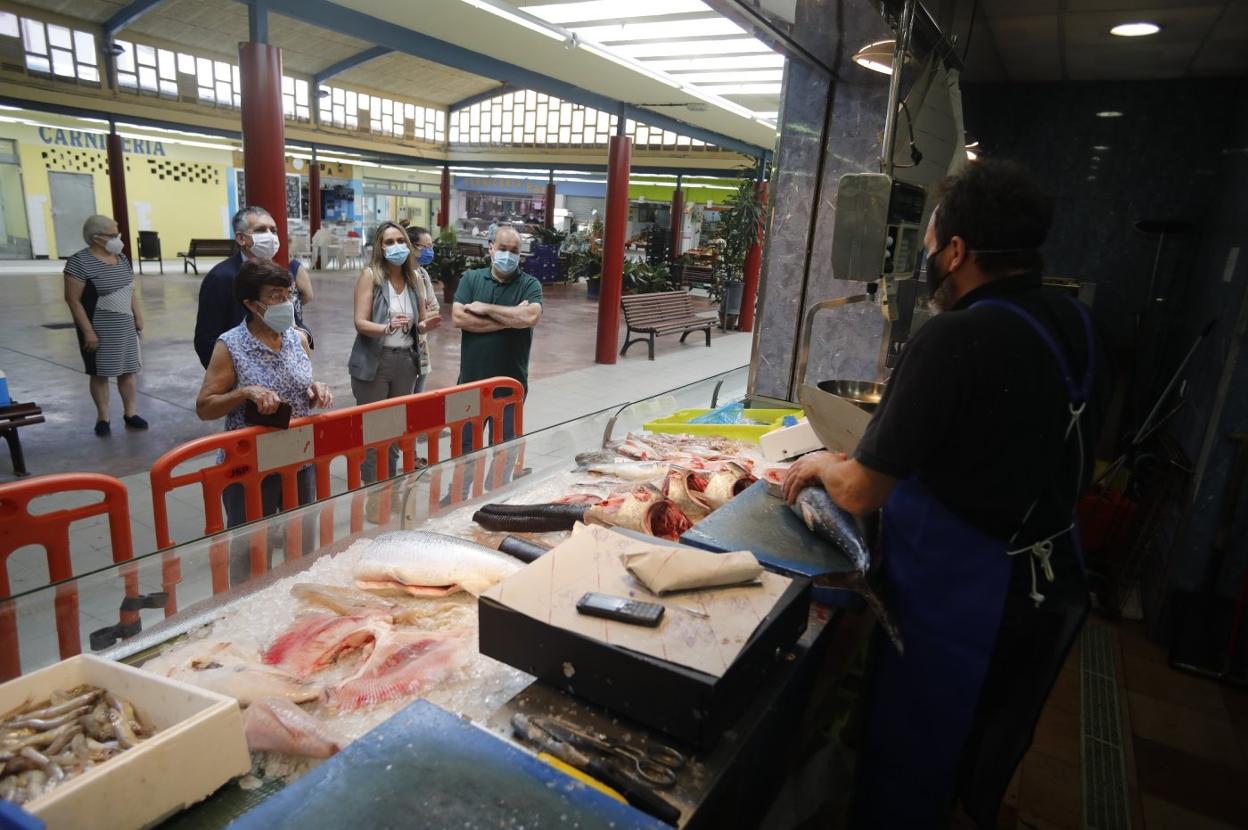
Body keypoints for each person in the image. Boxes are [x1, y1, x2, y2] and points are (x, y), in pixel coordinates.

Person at [782, 159, 1106, 828]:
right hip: (1045, 579)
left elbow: (865, 491)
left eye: (930, 245)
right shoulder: (1071, 323)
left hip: (964, 597)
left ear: (957, 250)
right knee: (982, 746)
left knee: (912, 760)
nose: (928, 260)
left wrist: (820, 466)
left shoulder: (957, 336)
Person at [195, 259, 332, 583]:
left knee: (301, 540)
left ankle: (297, 599)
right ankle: (247, 608)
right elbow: (205, 406)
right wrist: (244, 393)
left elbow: (301, 384)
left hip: (297, 458)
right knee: (252, 549)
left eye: (288, 294)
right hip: (250, 465)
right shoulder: (231, 345)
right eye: (275, 296)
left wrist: (315, 388)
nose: (285, 302)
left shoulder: (298, 338)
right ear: (250, 303)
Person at [348, 221, 441, 483]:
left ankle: (389, 483)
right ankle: (372, 489)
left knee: (395, 428)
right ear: (380, 247)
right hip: (375, 362)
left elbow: (420, 321)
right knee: (374, 429)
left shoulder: (414, 278)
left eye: (400, 241)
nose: (396, 246)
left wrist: (426, 325)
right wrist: (385, 328)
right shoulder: (371, 276)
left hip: (406, 362)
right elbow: (360, 322)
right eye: (389, 242)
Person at [452, 225, 541, 452]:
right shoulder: (471, 279)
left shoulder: (530, 284)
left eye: (514, 250)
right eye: (503, 248)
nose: (508, 255)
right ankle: (462, 489)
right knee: (463, 452)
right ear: (491, 248)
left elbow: (530, 316)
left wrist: (485, 308)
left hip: (511, 387)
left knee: (504, 454)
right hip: (470, 385)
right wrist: (511, 318)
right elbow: (459, 318)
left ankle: (499, 489)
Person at [63, 214, 148, 436]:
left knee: (128, 371)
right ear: (96, 238)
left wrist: (137, 316)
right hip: (98, 328)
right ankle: (103, 417)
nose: (117, 239)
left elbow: (130, 289)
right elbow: (73, 299)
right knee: (100, 373)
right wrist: (88, 331)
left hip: (125, 326)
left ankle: (130, 413)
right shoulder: (79, 262)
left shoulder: (121, 258)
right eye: (112, 235)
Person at [194, 206, 281, 368]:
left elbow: (296, 320)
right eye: (261, 230)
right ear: (241, 239)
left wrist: (304, 338)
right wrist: (232, 375)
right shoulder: (221, 278)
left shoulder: (280, 276)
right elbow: (206, 339)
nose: (270, 236)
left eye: (273, 231)